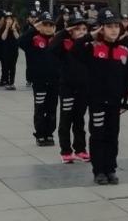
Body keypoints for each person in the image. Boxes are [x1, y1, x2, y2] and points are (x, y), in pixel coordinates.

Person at [70, 8, 128, 185]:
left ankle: (110, 169)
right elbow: (74, 50)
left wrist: (125, 102)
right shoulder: (92, 48)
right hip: (97, 101)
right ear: (101, 29)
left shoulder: (124, 50)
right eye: (108, 26)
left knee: (113, 136)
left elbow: (127, 78)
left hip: (114, 102)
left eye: (116, 26)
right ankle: (99, 171)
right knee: (98, 136)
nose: (113, 30)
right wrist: (90, 35)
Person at [50, 11, 91, 164]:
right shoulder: (62, 43)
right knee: (66, 118)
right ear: (71, 30)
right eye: (78, 29)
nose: (81, 32)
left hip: (83, 87)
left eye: (84, 29)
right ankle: (66, 151)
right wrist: (64, 32)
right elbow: (52, 47)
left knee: (79, 119)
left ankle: (80, 149)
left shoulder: (88, 45)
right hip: (67, 86)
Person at [19, 12, 60, 146]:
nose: (48, 28)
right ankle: (40, 134)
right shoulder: (33, 40)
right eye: (45, 25)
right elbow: (20, 42)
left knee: (52, 109)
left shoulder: (56, 40)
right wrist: (34, 28)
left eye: (51, 25)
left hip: (54, 82)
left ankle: (49, 133)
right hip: (39, 81)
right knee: (40, 108)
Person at [0, 14, 20, 90]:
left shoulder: (16, 28)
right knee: (5, 66)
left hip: (14, 50)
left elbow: (18, 37)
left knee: (13, 67)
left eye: (10, 19)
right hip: (5, 50)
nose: (9, 21)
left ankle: (12, 82)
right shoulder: (3, 28)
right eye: (7, 19)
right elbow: (3, 38)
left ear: (13, 20)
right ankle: (7, 82)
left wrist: (14, 29)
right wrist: (7, 28)